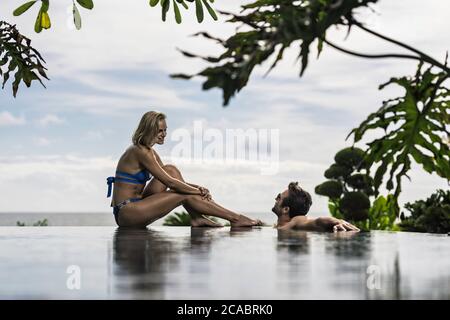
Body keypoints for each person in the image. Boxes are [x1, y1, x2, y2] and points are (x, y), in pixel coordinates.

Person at [107, 111, 262, 228]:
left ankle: (196, 217)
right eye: (160, 131)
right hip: (127, 212)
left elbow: (171, 178)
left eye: (165, 130)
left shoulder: (149, 152)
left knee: (171, 169)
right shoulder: (139, 151)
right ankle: (235, 218)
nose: (164, 135)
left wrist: (197, 188)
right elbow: (170, 183)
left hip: (137, 204)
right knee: (183, 193)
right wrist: (196, 191)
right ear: (148, 129)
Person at [272, 182, 360, 232]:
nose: (275, 199)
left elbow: (318, 221)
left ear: (285, 209)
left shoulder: (297, 220)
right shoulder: (281, 225)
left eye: (279, 197)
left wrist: (337, 221)